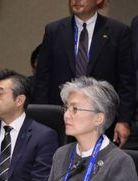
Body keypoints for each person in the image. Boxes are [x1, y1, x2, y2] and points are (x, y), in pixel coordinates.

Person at [37, 77, 138, 181]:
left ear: (98, 118)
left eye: (75, 109)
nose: (66, 115)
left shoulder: (119, 162)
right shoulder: (61, 154)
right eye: (66, 108)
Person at [34, 0, 136, 147]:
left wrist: (124, 120)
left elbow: (127, 82)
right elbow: (42, 79)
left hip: (100, 119)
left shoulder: (118, 31)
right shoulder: (54, 30)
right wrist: (42, 117)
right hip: (60, 118)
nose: (76, 0)